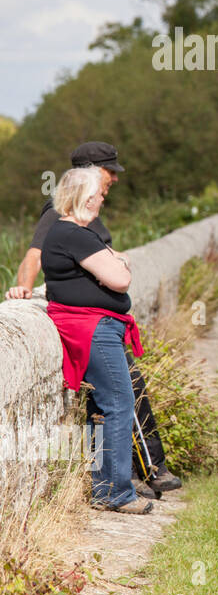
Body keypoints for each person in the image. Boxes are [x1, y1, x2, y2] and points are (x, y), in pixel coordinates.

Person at [5, 141, 181, 497]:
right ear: (89, 171)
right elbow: (34, 254)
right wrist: (23, 288)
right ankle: (143, 472)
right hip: (90, 324)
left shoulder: (86, 213)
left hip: (101, 321)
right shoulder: (59, 214)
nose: (114, 178)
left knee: (115, 401)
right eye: (109, 170)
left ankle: (135, 472)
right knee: (121, 397)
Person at [42, 167, 153, 514]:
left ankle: (105, 487)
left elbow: (115, 270)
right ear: (86, 197)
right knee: (118, 402)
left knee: (102, 409)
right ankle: (114, 492)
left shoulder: (70, 233)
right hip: (94, 330)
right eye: (99, 194)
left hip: (92, 327)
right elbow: (119, 278)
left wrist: (116, 263)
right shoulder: (75, 234)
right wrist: (118, 264)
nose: (103, 199)